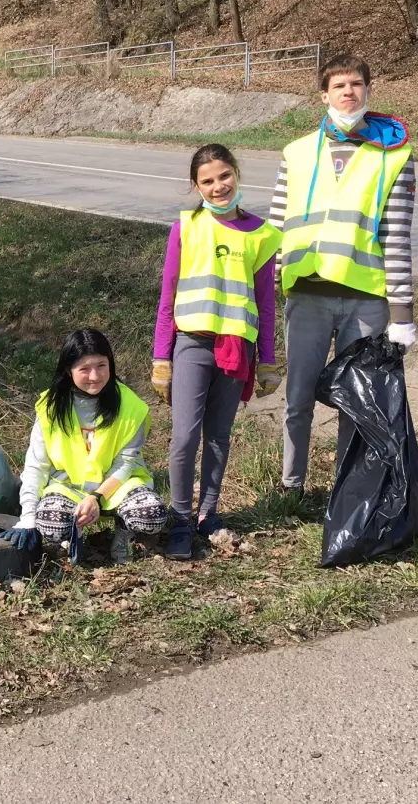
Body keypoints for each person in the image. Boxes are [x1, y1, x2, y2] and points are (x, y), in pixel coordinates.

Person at [268, 54, 416, 495]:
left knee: (359, 401)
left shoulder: (393, 157)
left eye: (356, 84)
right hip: (307, 297)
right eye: (339, 86)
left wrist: (402, 314)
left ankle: (349, 491)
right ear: (324, 94)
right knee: (297, 400)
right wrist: (264, 292)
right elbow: (276, 228)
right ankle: (291, 487)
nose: (348, 92)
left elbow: (397, 238)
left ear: (368, 90)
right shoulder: (295, 153)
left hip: (365, 299)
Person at [151, 144, 283, 560]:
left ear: (237, 174)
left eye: (224, 176)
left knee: (220, 436)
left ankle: (209, 513)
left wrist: (267, 360)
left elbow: (265, 303)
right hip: (192, 344)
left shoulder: (262, 233)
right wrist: (161, 357)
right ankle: (180, 518)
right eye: (207, 180)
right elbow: (168, 297)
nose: (218, 186)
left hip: (236, 349)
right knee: (186, 435)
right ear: (196, 186)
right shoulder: (187, 226)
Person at [0, 329, 167, 564]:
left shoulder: (131, 406)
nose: (94, 376)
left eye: (101, 366)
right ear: (69, 371)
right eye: (84, 369)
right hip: (69, 486)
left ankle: (123, 536)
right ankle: (74, 532)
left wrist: (96, 498)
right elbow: (36, 465)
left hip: (116, 486)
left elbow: (126, 462)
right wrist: (28, 516)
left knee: (151, 514)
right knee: (49, 524)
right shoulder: (50, 408)